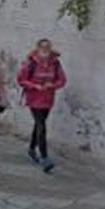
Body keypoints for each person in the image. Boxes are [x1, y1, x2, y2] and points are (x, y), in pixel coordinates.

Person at [17, 38, 67, 173]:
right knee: (41, 125)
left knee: (39, 124)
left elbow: (62, 79)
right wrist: (35, 86)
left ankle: (32, 148)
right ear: (38, 48)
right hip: (34, 99)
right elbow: (21, 79)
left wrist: (53, 85)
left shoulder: (55, 63)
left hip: (48, 99)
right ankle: (45, 157)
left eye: (48, 47)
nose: (45, 50)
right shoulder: (31, 63)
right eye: (43, 47)